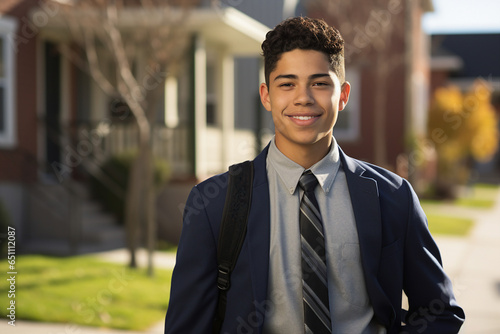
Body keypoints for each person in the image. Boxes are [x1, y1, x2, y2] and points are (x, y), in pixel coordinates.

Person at [164, 17, 465, 334]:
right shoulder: (216, 203)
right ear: (266, 95)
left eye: (320, 83)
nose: (303, 97)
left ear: (344, 95)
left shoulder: (392, 196)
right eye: (287, 84)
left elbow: (440, 312)